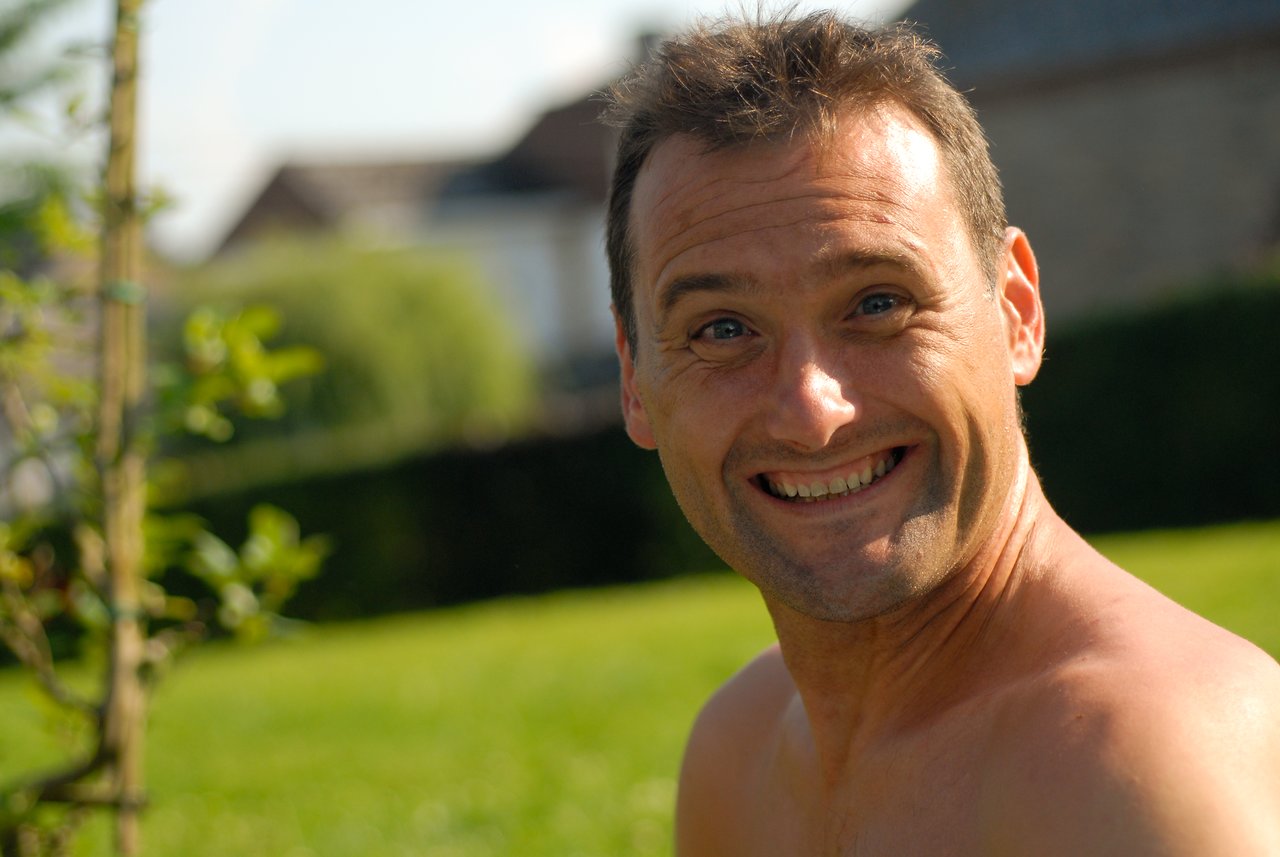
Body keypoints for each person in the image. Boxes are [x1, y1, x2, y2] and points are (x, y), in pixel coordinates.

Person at [601, 11, 1280, 855]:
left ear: (1016, 310)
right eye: (722, 330)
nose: (813, 409)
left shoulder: (1130, 765)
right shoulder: (736, 752)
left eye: (878, 303)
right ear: (635, 379)